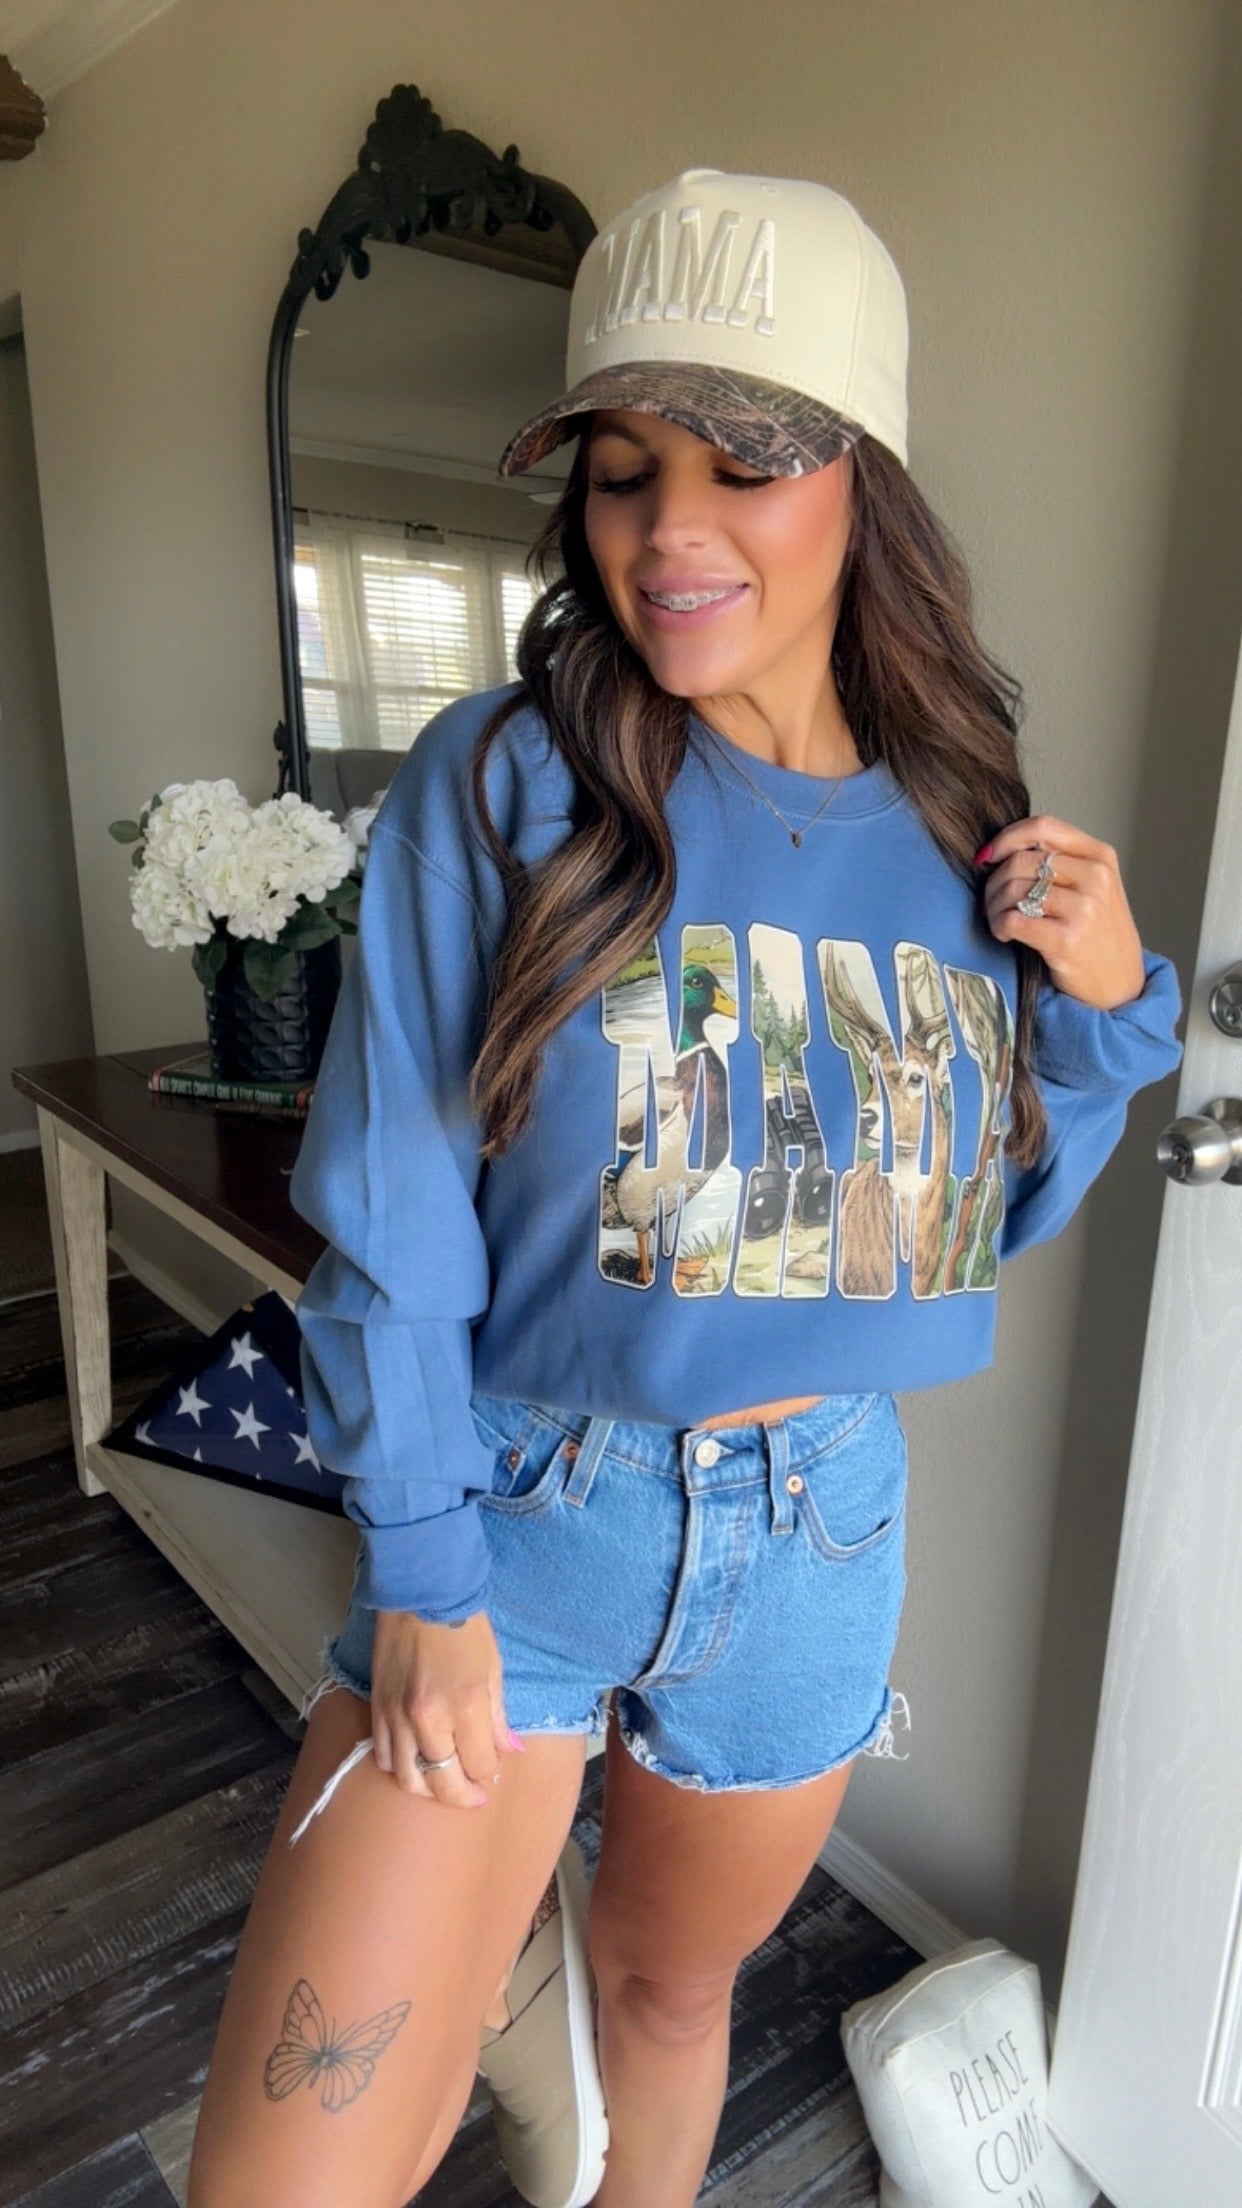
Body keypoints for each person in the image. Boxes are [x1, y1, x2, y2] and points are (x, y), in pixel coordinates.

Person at [186, 168, 1183, 2208]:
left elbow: (953, 1240)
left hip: (819, 1533)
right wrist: (422, 1573)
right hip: (518, 1510)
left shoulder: (964, 824)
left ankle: (552, 2018)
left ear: (863, 481)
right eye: (625, 471)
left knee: (666, 1996)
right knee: (293, 2173)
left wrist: (1100, 1019)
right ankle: (498, 1964)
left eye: (746, 462)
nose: (668, 531)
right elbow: (387, 1213)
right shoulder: (504, 781)